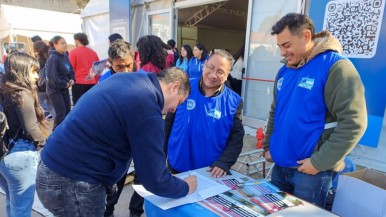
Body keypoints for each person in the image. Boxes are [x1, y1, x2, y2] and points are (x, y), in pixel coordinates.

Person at [35, 67, 197, 217]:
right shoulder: (147, 107)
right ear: (174, 87)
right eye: (179, 102)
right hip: (73, 183)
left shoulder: (128, 79)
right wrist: (185, 187)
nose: (174, 109)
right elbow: (155, 179)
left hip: (52, 168)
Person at [263, 13, 367, 208]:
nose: (282, 52)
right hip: (280, 165)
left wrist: (319, 162)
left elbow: (354, 122)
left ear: (306, 36)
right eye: (279, 46)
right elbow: (275, 112)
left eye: (287, 45)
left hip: (311, 172)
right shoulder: (285, 71)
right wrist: (269, 146)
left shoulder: (336, 67)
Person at [165, 49, 245, 178]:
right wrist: (161, 154)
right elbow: (168, 123)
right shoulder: (184, 87)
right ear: (205, 64)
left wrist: (224, 162)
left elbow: (236, 137)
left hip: (209, 171)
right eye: (211, 68)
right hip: (177, 163)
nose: (213, 75)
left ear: (227, 74)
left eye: (220, 72)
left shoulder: (233, 102)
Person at [0, 52, 48, 217]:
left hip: (3, 153)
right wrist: (47, 142)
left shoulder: (4, 89)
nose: (36, 76)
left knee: (12, 202)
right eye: (33, 71)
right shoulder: (22, 93)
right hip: (20, 155)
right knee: (21, 209)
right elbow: (31, 129)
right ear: (21, 71)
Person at [46, 36, 75, 130]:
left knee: (67, 111)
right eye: (62, 43)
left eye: (65, 43)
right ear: (55, 45)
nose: (65, 45)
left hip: (64, 88)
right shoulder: (53, 58)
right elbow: (52, 77)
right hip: (54, 90)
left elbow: (70, 70)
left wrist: (72, 78)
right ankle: (56, 133)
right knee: (61, 113)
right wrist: (64, 83)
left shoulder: (65, 55)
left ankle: (65, 132)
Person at [69, 33, 100, 105]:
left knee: (78, 105)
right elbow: (97, 67)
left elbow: (70, 68)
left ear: (77, 41)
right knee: (91, 104)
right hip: (92, 82)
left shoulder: (73, 52)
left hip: (79, 82)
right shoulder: (93, 52)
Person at [33, 41, 56, 120]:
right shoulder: (50, 57)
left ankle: (36, 123)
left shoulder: (38, 60)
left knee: (35, 106)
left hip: (41, 88)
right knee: (51, 106)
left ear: (37, 50)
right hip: (50, 86)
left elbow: (36, 73)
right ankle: (60, 123)